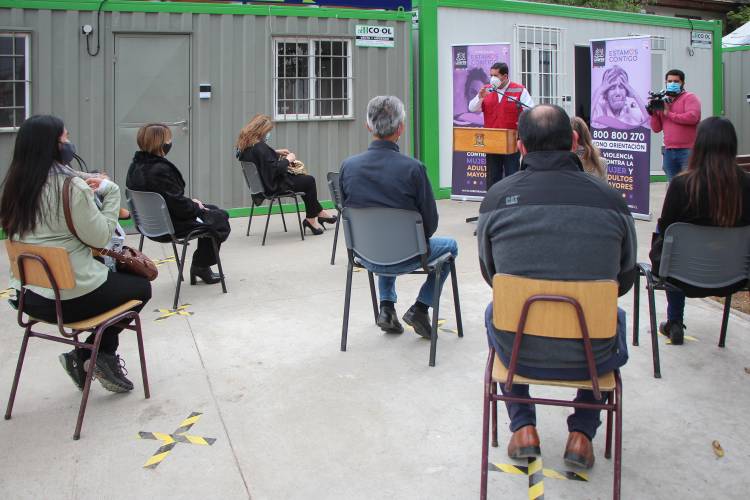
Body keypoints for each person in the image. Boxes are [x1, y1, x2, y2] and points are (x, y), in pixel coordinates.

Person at [477, 105, 636, 469]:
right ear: (575, 141)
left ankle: (522, 427)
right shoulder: (612, 201)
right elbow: (623, 280)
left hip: (519, 349)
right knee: (611, 314)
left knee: (496, 309)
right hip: (592, 354)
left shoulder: (496, 200)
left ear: (520, 147)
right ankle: (582, 434)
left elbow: (491, 275)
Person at [0, 115, 152, 393]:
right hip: (70, 297)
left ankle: (87, 357)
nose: (69, 143)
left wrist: (85, 178)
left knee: (116, 282)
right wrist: (111, 193)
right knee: (141, 287)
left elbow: (62, 179)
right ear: (53, 146)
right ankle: (91, 355)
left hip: (29, 297)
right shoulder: (71, 189)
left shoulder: (15, 186)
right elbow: (100, 236)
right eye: (65, 138)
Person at [340, 96, 459, 339]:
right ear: (401, 128)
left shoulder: (348, 167)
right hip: (407, 254)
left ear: (368, 126)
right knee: (451, 246)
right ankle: (421, 307)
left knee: (384, 236)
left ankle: (386, 308)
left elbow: (347, 213)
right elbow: (430, 224)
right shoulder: (413, 169)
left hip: (364, 254)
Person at [649, 117, 750, 345]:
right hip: (735, 276)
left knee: (669, 236)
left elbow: (666, 230)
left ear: (699, 144)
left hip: (680, 276)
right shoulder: (746, 185)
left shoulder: (681, 185)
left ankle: (674, 321)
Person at [126, 123, 230, 285]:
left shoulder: (135, 166)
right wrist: (197, 206)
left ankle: (201, 267)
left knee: (213, 210)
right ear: (160, 143)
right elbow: (179, 206)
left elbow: (166, 199)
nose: (170, 142)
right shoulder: (160, 169)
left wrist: (194, 204)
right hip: (171, 225)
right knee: (219, 218)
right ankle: (200, 266)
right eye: (168, 139)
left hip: (149, 225)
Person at [236, 114, 337, 236]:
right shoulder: (260, 147)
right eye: (268, 131)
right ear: (261, 130)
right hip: (273, 186)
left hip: (263, 185)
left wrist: (274, 152)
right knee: (309, 181)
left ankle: (320, 213)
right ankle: (311, 219)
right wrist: (289, 159)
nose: (268, 134)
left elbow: (261, 159)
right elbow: (275, 169)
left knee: (303, 181)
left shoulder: (246, 146)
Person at [468, 62, 534, 189]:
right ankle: (492, 202)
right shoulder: (486, 89)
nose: (492, 78)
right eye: (491, 75)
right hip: (491, 142)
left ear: (505, 76)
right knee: (493, 176)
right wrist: (480, 97)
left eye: (495, 75)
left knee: (511, 175)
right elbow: (472, 108)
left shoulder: (519, 90)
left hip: (511, 142)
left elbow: (531, 110)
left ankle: (511, 202)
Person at [648, 69, 702, 181]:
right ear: (666, 82)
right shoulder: (663, 100)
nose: (672, 83)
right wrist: (653, 114)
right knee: (673, 186)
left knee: (690, 184)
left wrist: (669, 114)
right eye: (670, 81)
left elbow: (693, 118)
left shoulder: (690, 97)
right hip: (669, 151)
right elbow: (656, 128)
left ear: (683, 83)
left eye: (676, 81)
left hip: (688, 150)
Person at [591, 65, 648, 129]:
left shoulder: (633, 111)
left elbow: (651, 125)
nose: (617, 93)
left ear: (627, 91)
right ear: (605, 93)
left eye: (621, 87)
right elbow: (585, 125)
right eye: (612, 88)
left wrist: (635, 95)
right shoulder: (599, 109)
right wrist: (599, 91)